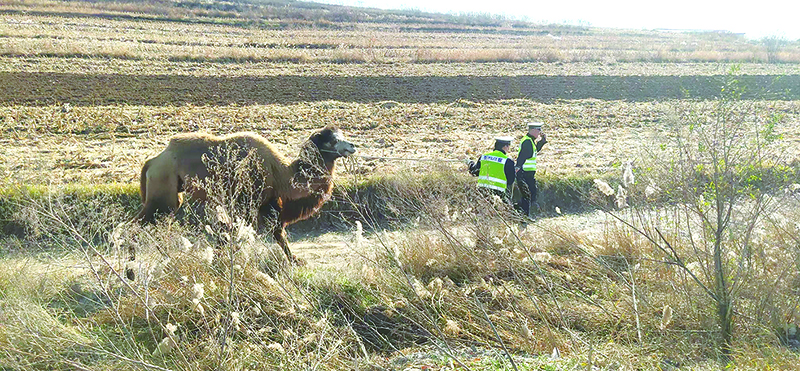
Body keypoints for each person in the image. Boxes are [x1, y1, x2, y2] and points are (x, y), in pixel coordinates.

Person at [468, 136, 516, 202]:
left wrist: (470, 163)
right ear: (505, 146)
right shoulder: (508, 161)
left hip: (482, 191)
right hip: (498, 194)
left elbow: (474, 172)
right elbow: (511, 180)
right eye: (508, 146)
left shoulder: (484, 157)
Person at [516, 122, 547, 218]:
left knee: (531, 193)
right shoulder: (527, 141)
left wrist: (542, 141)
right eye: (538, 130)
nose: (540, 132)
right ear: (533, 130)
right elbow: (523, 155)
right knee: (528, 194)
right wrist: (518, 166)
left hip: (528, 172)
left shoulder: (530, 140)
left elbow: (534, 151)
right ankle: (523, 214)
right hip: (525, 172)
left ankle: (520, 212)